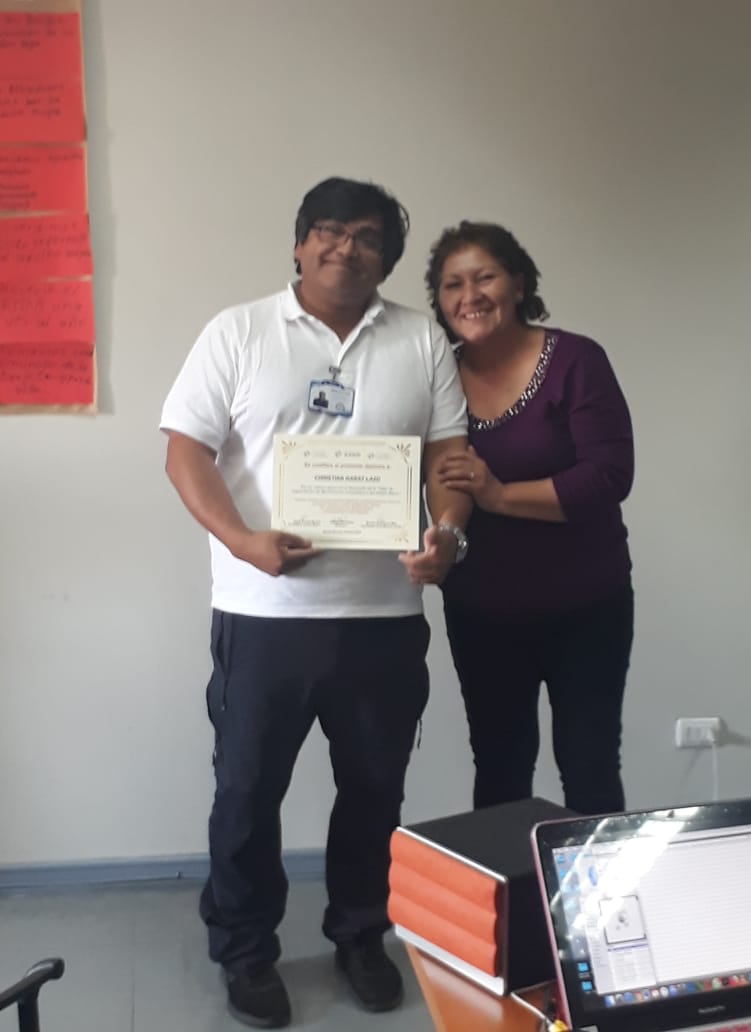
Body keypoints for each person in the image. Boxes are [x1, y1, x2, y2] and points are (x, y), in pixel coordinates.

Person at [160, 178, 470, 1028]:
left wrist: (446, 533)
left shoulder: (420, 339)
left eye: (368, 237)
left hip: (384, 618)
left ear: (387, 259)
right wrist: (241, 540)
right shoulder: (239, 331)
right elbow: (184, 451)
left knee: (374, 789)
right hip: (265, 616)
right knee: (246, 791)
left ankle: (361, 935)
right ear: (299, 243)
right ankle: (245, 949)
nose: (346, 247)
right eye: (329, 230)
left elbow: (448, 459)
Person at [426, 221, 634, 818]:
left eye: (484, 277)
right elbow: (421, 469)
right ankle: (507, 885)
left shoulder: (576, 360)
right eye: (452, 284)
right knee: (499, 767)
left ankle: (595, 886)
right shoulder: (438, 375)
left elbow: (608, 476)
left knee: (590, 765)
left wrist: (499, 495)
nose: (470, 296)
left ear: (518, 283)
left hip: (586, 608)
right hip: (482, 611)